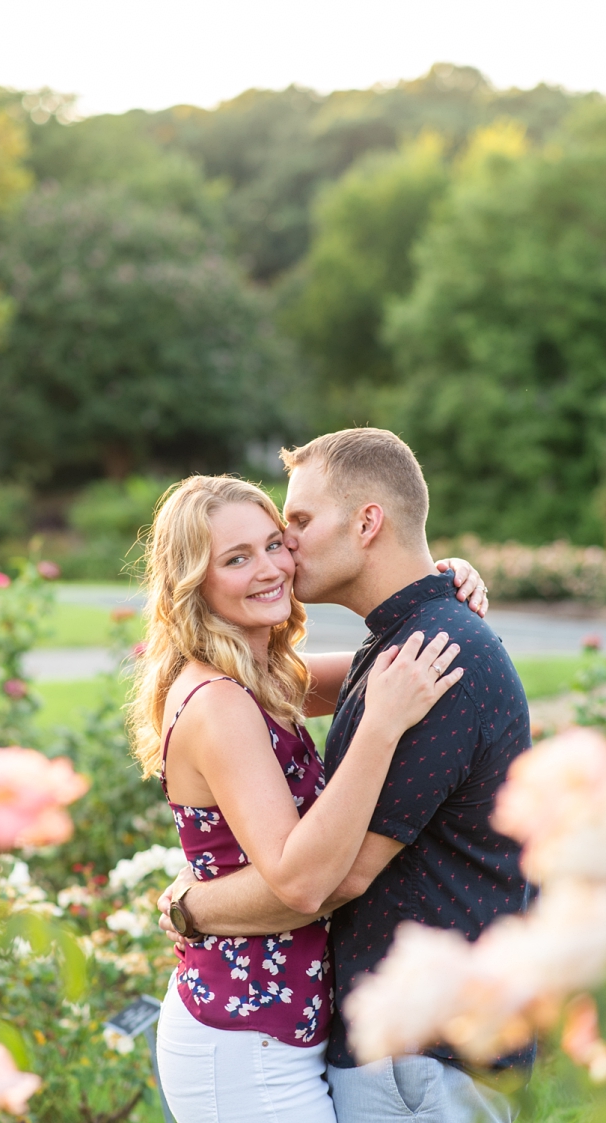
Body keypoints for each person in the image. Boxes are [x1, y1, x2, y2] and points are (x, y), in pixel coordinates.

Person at [155, 429, 532, 1122]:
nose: (282, 555)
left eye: (286, 531)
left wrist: (441, 584)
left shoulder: (376, 661)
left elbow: (334, 874)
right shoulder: (228, 698)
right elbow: (311, 879)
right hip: (257, 1034)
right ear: (195, 580)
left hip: (371, 1044)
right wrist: (189, 907)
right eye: (240, 555)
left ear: (367, 522)